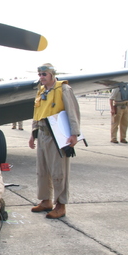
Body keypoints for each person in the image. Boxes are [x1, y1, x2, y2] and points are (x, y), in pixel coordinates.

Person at [28, 63, 81, 219]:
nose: (41, 77)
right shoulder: (42, 90)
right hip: (43, 134)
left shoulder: (63, 89)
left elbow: (73, 112)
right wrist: (33, 134)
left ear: (52, 74)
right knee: (42, 170)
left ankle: (60, 205)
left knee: (59, 171)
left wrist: (74, 134)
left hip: (57, 136)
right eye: (39, 74)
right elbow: (37, 112)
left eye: (44, 74)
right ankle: (46, 201)